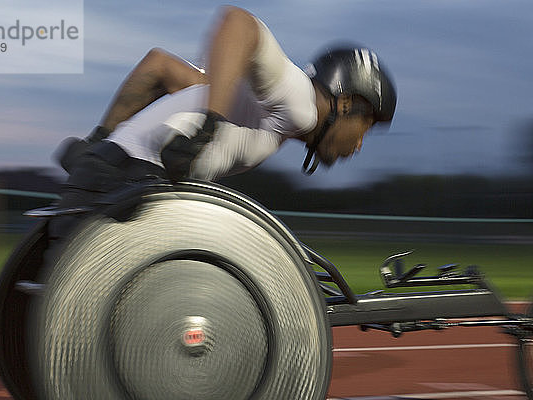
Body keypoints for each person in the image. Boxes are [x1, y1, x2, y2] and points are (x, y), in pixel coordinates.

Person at [52, 5, 396, 238]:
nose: (360, 144)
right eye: (367, 127)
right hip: (132, 186)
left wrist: (99, 139)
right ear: (346, 102)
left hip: (100, 171)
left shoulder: (243, 97)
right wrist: (208, 126)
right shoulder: (301, 104)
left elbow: (158, 66)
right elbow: (237, 21)